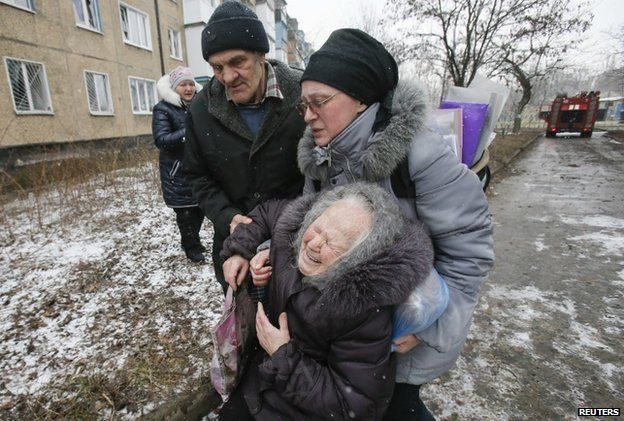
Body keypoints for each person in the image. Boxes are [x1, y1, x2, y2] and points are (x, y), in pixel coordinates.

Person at [249, 29, 495, 420]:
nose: (309, 115)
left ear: (362, 99)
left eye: (319, 102)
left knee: (396, 406)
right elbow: (312, 226)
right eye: (304, 106)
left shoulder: (420, 156)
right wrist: (272, 252)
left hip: (401, 331)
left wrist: (431, 330)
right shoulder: (320, 158)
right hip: (348, 334)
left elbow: (469, 253)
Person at [219, 183, 435, 420]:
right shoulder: (296, 227)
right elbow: (266, 213)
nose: (313, 244)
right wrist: (239, 250)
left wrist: (283, 355)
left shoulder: (363, 311)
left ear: (357, 257)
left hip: (299, 408)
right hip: (260, 381)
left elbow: (353, 406)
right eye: (317, 229)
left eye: (332, 243)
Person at [182, 2, 306, 290]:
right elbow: (197, 176)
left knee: (294, 325)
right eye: (217, 67)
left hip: (296, 243)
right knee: (243, 327)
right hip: (233, 249)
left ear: (261, 55)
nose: (227, 77)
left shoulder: (301, 94)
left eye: (238, 62)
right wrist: (228, 217)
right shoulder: (201, 109)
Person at [152, 66, 206, 263]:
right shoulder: (163, 109)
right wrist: (188, 131)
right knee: (186, 214)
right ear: (175, 87)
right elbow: (161, 139)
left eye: (191, 84)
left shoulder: (199, 106)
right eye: (183, 84)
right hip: (178, 171)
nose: (188, 88)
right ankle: (191, 247)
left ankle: (193, 240)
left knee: (200, 210)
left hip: (199, 169)